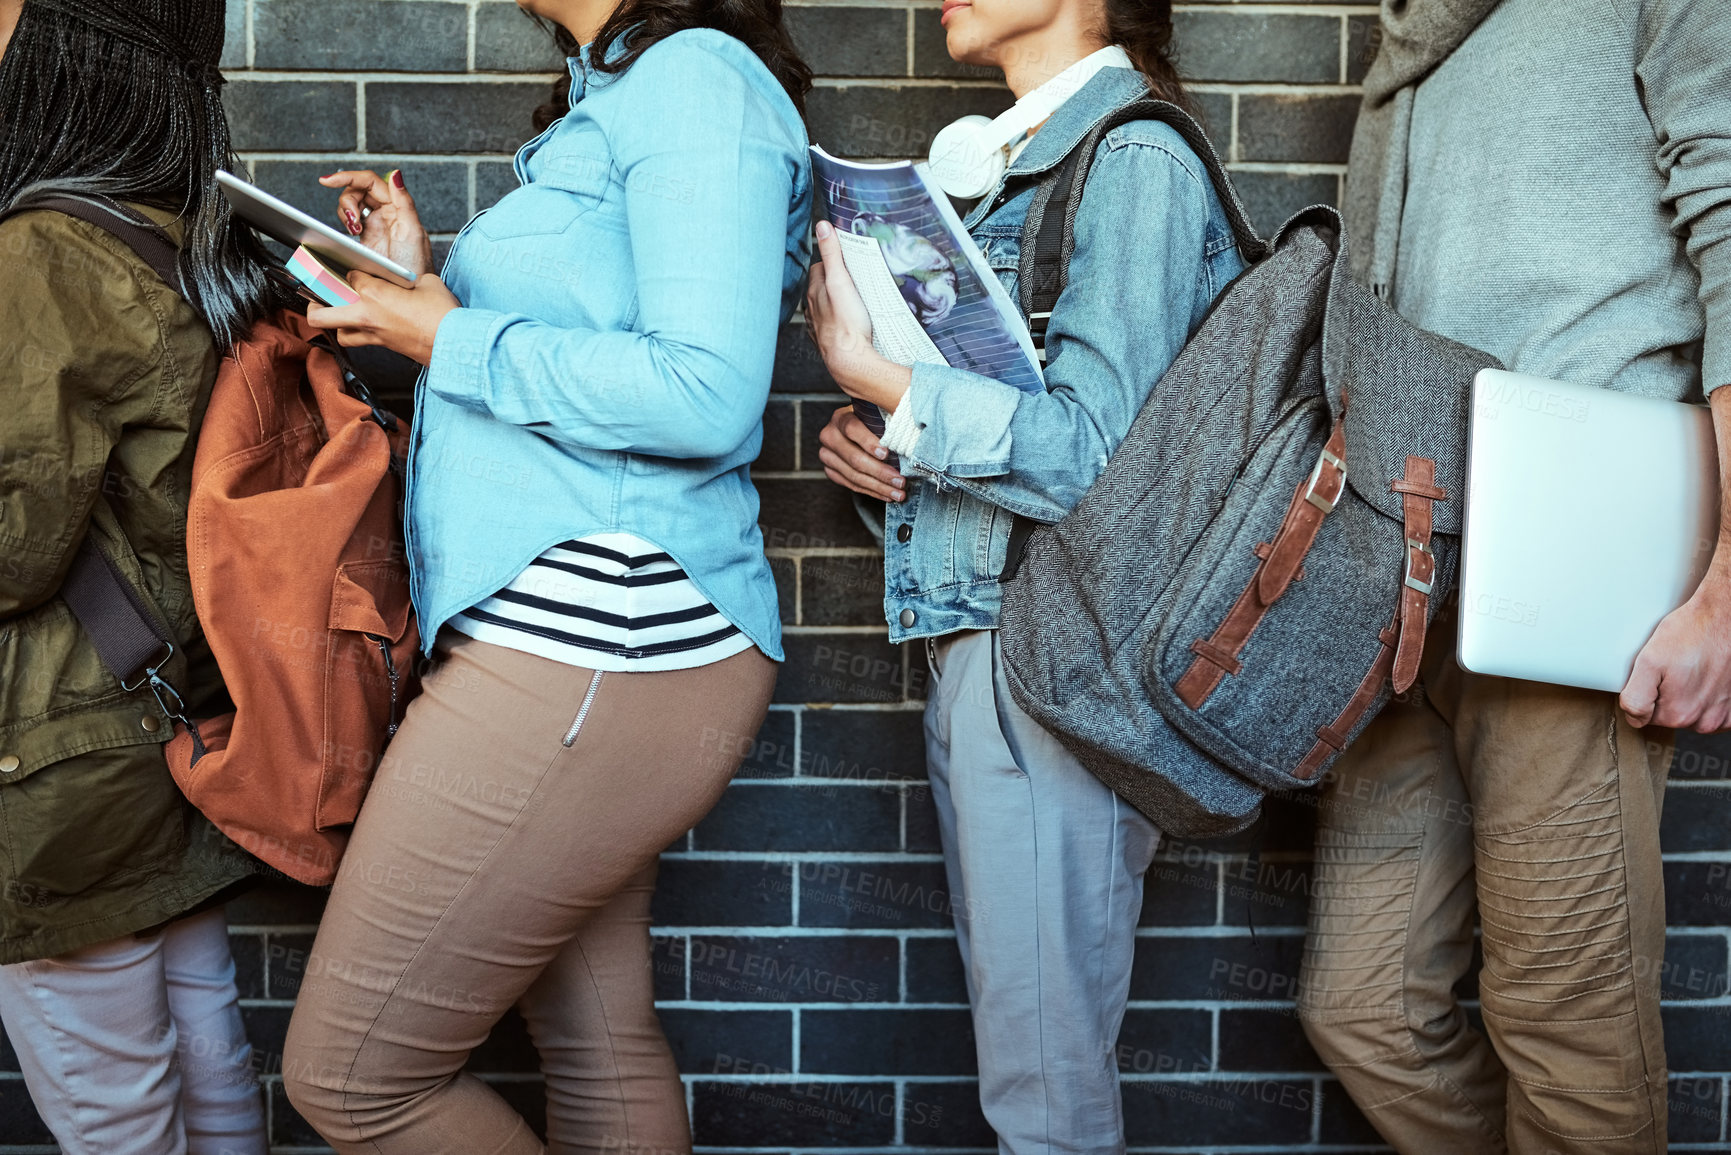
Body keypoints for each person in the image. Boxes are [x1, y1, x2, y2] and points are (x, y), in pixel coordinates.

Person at [277, 0, 812, 1150]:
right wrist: (425, 296)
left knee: (353, 1082)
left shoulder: (697, 80)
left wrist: (446, 338)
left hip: (596, 644)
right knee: (597, 1040)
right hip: (574, 642)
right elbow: (593, 353)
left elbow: (706, 395)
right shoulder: (624, 95)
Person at [803, 0, 1246, 1149]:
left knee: (1044, 1096)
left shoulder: (1135, 154)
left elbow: (1095, 458)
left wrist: (894, 390)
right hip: (998, 652)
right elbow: (1020, 458)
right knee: (1034, 1068)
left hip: (1058, 669)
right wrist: (886, 457)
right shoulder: (1025, 163)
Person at [1295, 2, 1731, 1152]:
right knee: (1365, 1010)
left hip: (1578, 590)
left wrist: (1728, 594)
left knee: (1567, 1033)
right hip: (1400, 598)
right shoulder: (1413, 34)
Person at [0, 0, 278, 1151]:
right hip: (172, 727)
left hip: (64, 760)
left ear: (66, 57)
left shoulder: (40, 256)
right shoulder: (192, 235)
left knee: (114, 1108)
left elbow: (11, 547)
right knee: (205, 1051)